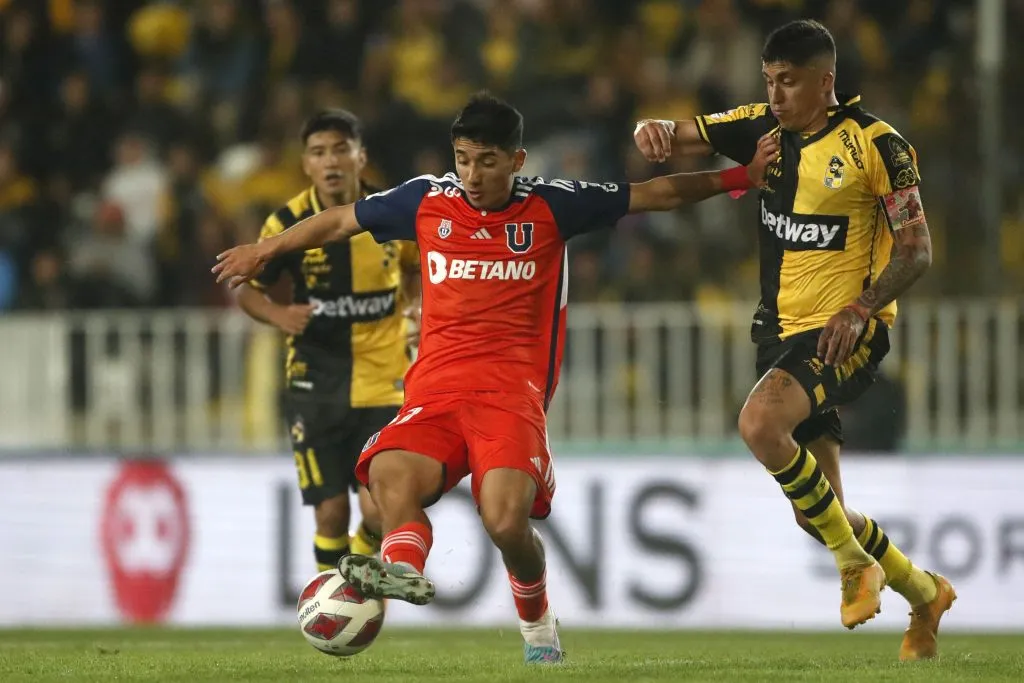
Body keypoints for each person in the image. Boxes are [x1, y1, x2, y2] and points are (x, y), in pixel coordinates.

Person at [215, 92, 775, 664]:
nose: (472, 174)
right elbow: (339, 221)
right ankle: (400, 570)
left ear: (517, 160)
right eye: (463, 159)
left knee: (506, 523)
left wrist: (741, 176)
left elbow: (655, 194)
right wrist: (265, 250)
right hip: (433, 390)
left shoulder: (555, 205)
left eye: (486, 161)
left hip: (510, 396)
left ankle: (538, 629)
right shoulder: (426, 200)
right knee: (387, 479)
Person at [633, 20, 955, 659]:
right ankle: (924, 593)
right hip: (778, 335)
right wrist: (653, 129)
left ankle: (853, 567)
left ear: (825, 81)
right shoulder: (764, 128)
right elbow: (687, 135)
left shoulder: (877, 146)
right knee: (820, 514)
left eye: (790, 82)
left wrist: (861, 307)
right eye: (770, 81)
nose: (777, 95)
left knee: (758, 424)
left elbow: (917, 250)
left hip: (846, 334)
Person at [235, 110, 421, 572]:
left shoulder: (391, 214)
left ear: (362, 157)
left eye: (341, 149)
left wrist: (416, 306)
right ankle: (336, 595)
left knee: (379, 509)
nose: (331, 161)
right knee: (332, 512)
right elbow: (247, 291)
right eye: (319, 152)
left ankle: (347, 591)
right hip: (316, 384)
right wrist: (278, 314)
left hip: (386, 383)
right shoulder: (286, 224)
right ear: (306, 164)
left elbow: (419, 268)